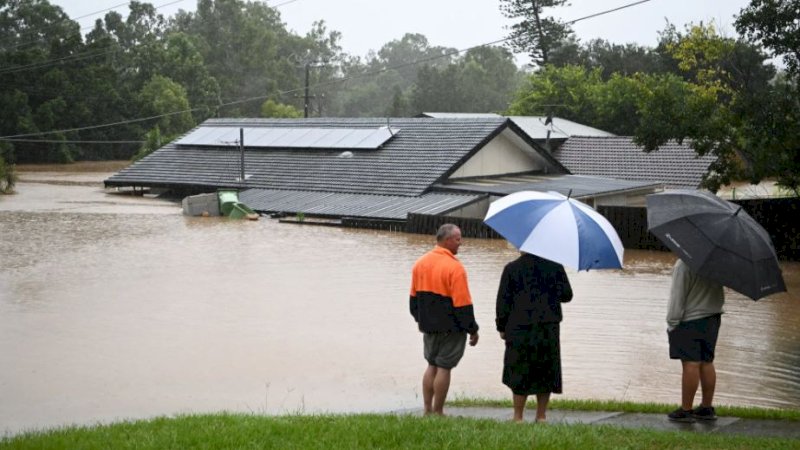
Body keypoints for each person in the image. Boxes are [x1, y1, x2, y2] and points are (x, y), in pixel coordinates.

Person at [409, 223, 479, 416]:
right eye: (458, 239)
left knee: (431, 364)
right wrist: (472, 329)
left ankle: (427, 410)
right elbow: (463, 305)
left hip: (428, 327)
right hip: (451, 328)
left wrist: (421, 321)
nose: (461, 243)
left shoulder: (420, 263)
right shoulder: (455, 268)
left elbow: (413, 301)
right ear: (447, 241)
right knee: (444, 367)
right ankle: (439, 412)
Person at [495, 252, 573, 423]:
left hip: (519, 326)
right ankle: (541, 416)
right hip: (547, 326)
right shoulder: (555, 267)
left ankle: (518, 417)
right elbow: (567, 295)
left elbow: (503, 301)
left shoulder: (512, 268)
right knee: (546, 370)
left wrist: (501, 327)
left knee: (519, 369)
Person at [666, 258, 725, 423]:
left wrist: (672, 322)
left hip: (690, 319)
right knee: (707, 362)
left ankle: (686, 410)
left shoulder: (683, 265)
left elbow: (677, 296)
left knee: (690, 364)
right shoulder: (717, 263)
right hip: (713, 318)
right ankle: (706, 408)